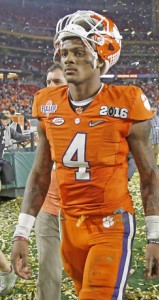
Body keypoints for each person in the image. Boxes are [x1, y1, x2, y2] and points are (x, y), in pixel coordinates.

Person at [11, 10, 159, 300]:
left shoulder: (127, 101)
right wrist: (21, 233)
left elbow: (150, 174)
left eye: (79, 52)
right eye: (64, 52)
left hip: (111, 224)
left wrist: (153, 236)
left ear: (102, 59)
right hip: (68, 225)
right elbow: (41, 173)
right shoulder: (46, 102)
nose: (68, 58)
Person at [34, 63, 67, 300]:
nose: (50, 86)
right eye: (48, 81)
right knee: (48, 274)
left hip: (81, 210)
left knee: (91, 275)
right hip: (48, 207)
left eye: (57, 81)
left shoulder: (95, 114)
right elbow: (40, 168)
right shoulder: (46, 116)